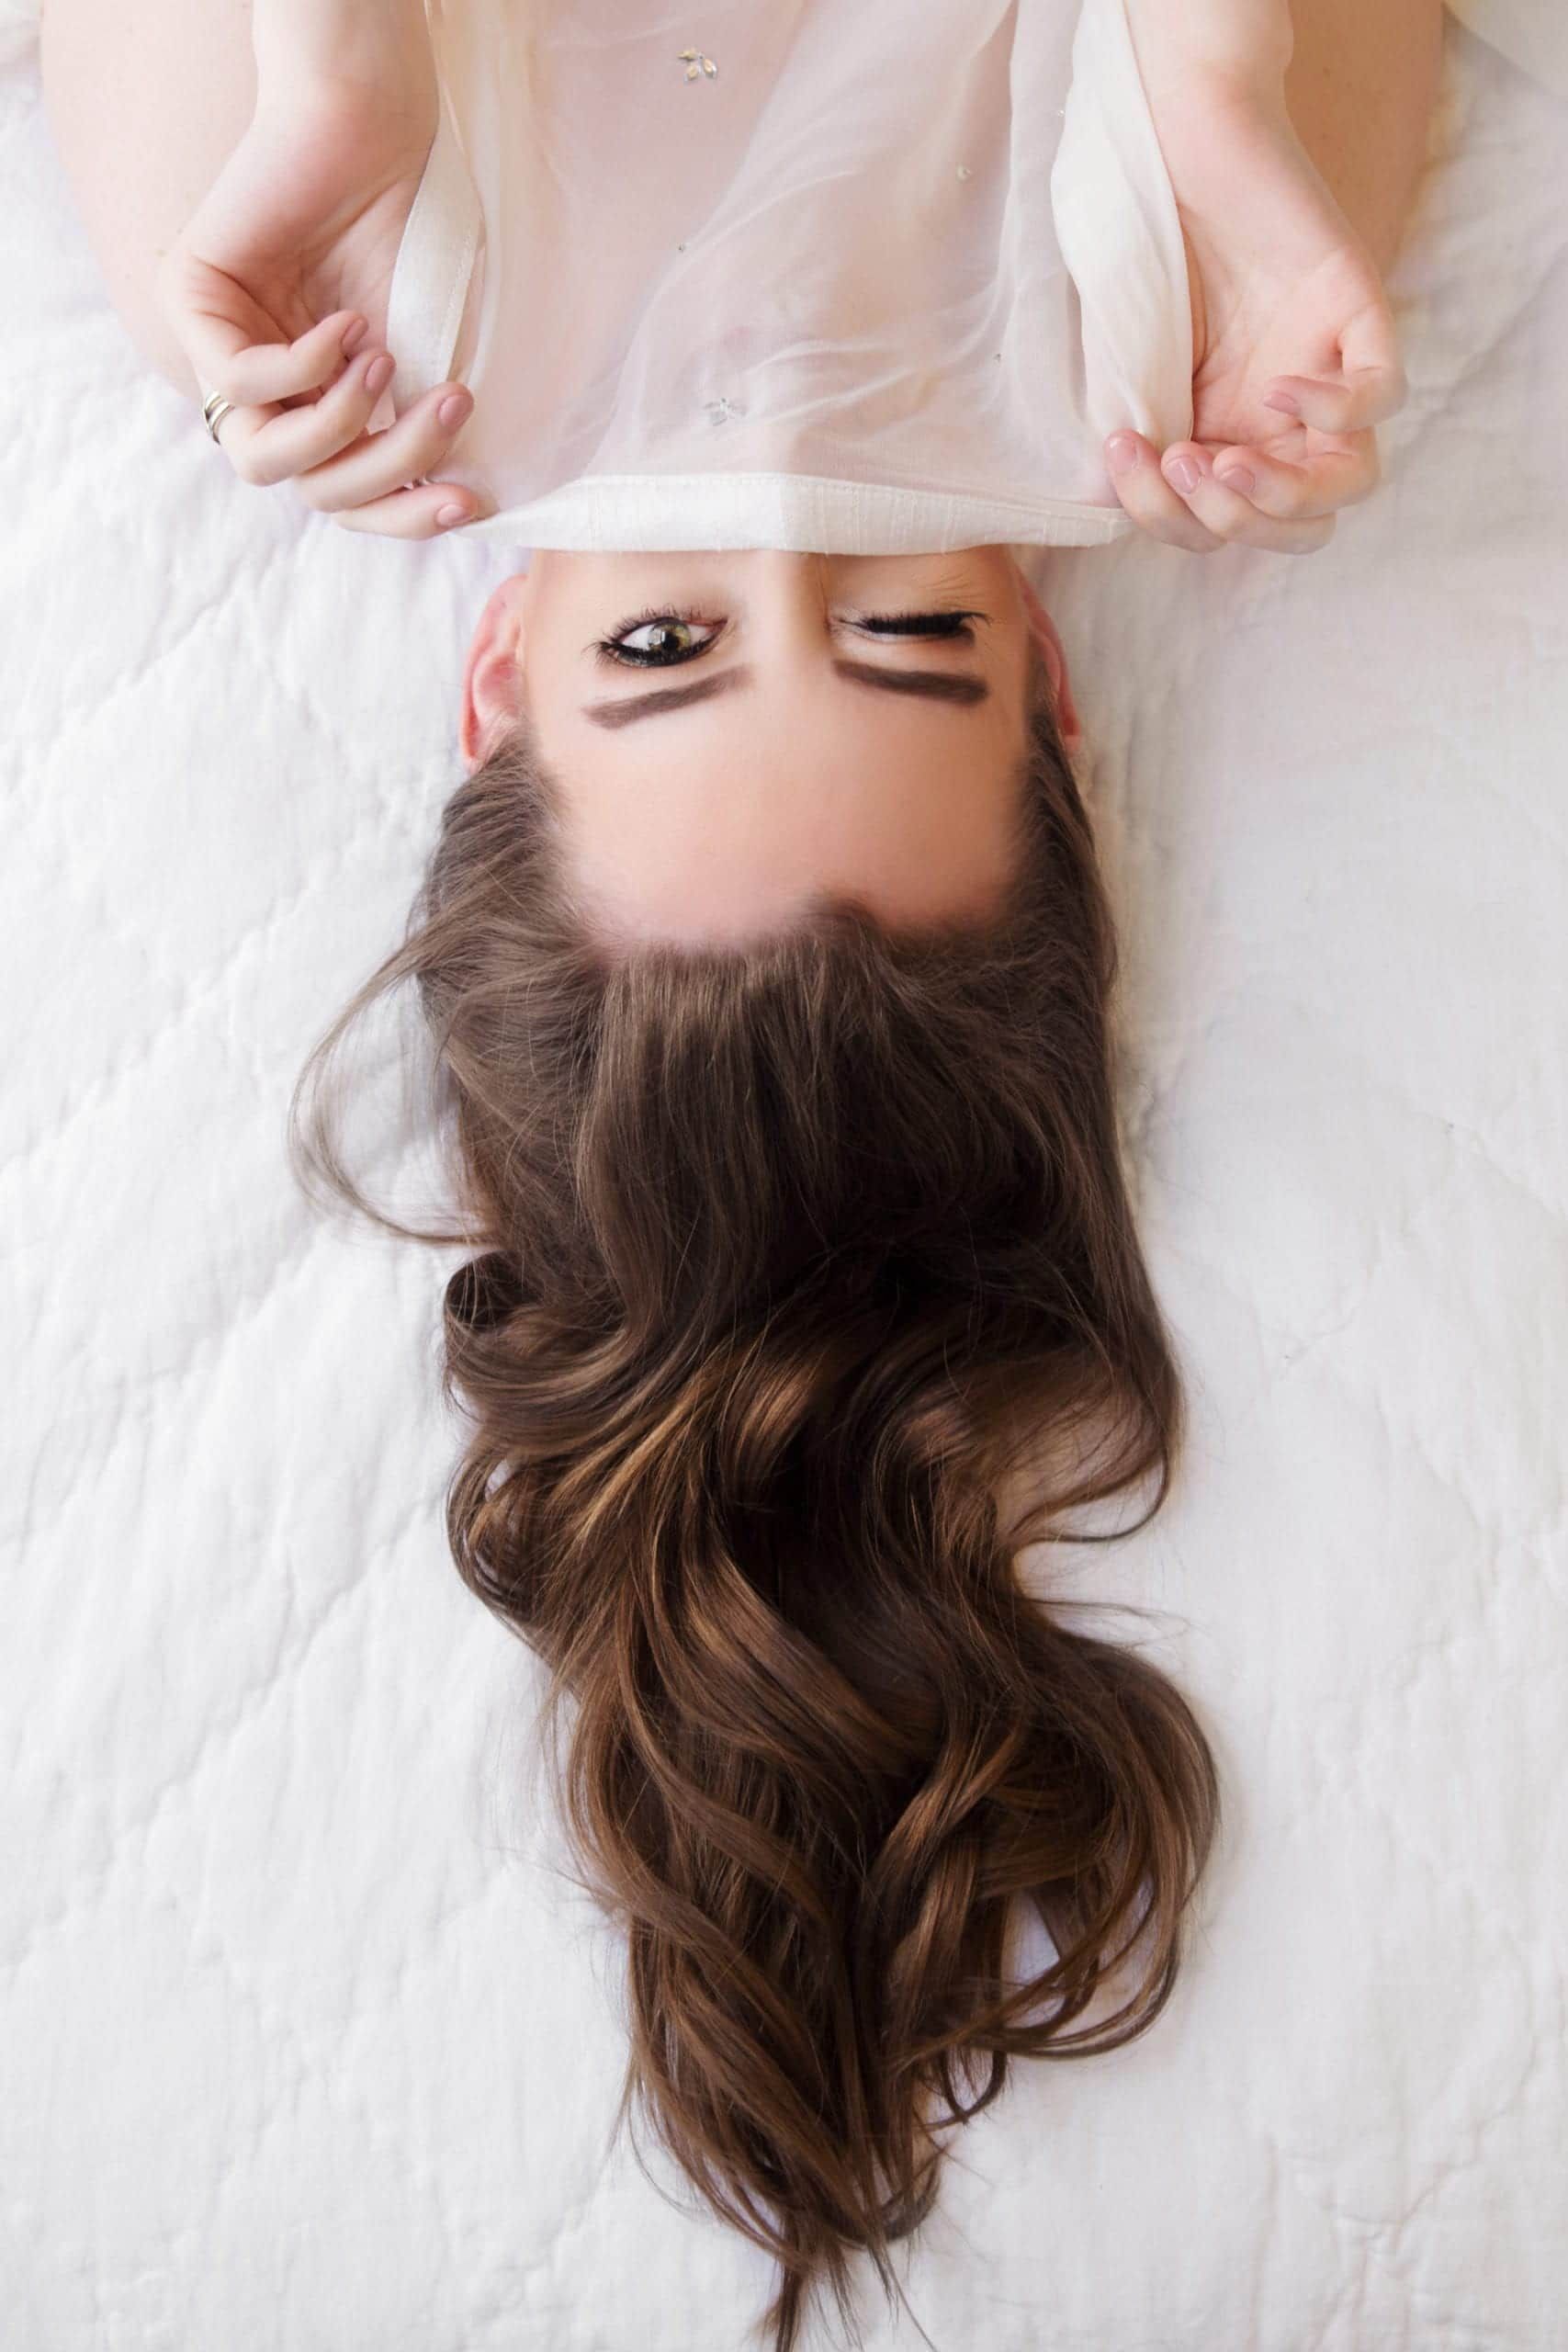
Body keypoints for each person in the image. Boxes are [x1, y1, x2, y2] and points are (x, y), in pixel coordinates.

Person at [38, 6, 1442, 2348]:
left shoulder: (322, 308)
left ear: (496, 684)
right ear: (1055, 701)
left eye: (669, 641)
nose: (782, 494)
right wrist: (1221, 104)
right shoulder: (1213, 329)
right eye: (904, 630)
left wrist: (337, 80)